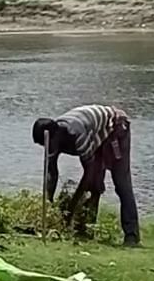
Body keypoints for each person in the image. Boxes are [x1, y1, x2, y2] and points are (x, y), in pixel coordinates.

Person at [32, 105, 140, 247]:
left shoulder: (77, 135)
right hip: (95, 132)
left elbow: (88, 174)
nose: (47, 148)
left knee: (121, 183)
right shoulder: (52, 137)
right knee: (95, 186)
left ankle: (131, 235)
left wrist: (71, 207)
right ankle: (87, 230)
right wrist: (48, 204)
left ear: (57, 136)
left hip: (115, 128)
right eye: (43, 145)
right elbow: (51, 172)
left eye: (47, 144)